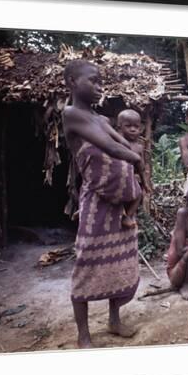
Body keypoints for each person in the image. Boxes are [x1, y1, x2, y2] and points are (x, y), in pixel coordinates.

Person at [62, 59, 142, 348]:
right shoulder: (71, 114)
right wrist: (137, 160)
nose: (99, 87)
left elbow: (123, 142)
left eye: (100, 82)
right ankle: (84, 335)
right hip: (95, 202)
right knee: (86, 263)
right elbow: (114, 148)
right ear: (72, 82)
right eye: (92, 81)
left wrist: (133, 158)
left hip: (117, 204)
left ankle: (114, 319)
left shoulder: (102, 120)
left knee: (117, 263)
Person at [116, 109, 150, 228]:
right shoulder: (115, 143)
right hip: (115, 179)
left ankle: (128, 216)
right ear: (119, 128)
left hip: (131, 180)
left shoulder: (139, 147)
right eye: (128, 126)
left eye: (136, 126)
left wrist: (145, 182)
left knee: (138, 195)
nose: (133, 129)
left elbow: (141, 167)